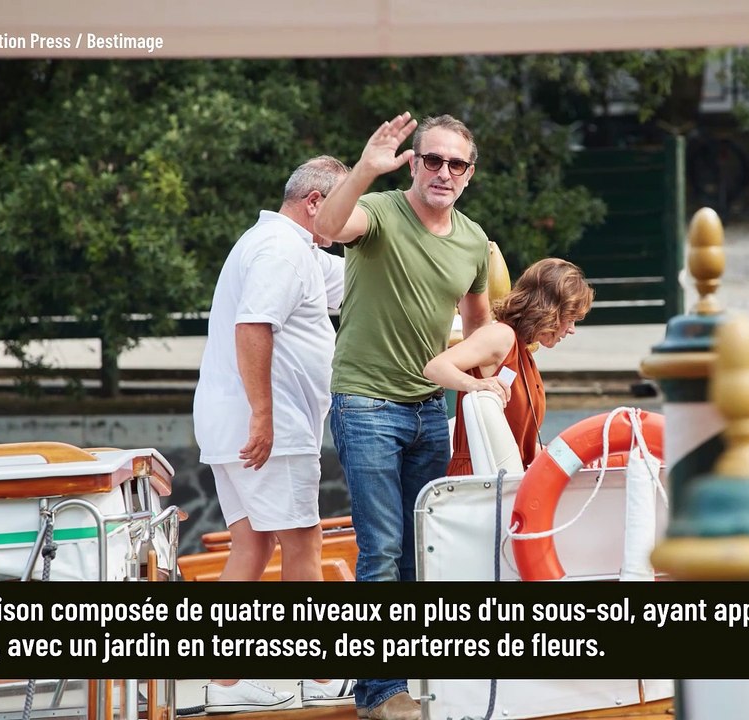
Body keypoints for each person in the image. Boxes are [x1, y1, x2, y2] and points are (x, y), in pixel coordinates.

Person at [315, 112, 491, 720]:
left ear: (469, 174)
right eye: (432, 159)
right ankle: (379, 692)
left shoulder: (472, 240)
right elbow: (326, 224)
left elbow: (477, 325)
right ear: (413, 163)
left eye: (456, 163)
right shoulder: (382, 212)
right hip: (365, 403)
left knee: (426, 551)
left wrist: (490, 383)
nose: (443, 171)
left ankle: (411, 678)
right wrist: (366, 166)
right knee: (383, 551)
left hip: (428, 409)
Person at [192, 156, 354, 714]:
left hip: (234, 420)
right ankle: (308, 675)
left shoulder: (296, 248)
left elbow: (362, 283)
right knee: (303, 544)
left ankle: (227, 682)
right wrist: (264, 414)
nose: (348, 221)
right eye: (343, 206)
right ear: (315, 203)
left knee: (253, 545)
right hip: (268, 424)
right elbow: (253, 326)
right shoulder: (282, 250)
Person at [423, 258, 594, 474]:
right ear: (549, 309)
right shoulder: (501, 336)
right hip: (479, 482)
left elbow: (521, 447)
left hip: (504, 480)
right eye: (570, 318)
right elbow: (435, 368)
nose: (571, 329)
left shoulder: (523, 351)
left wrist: (578, 459)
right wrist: (474, 384)